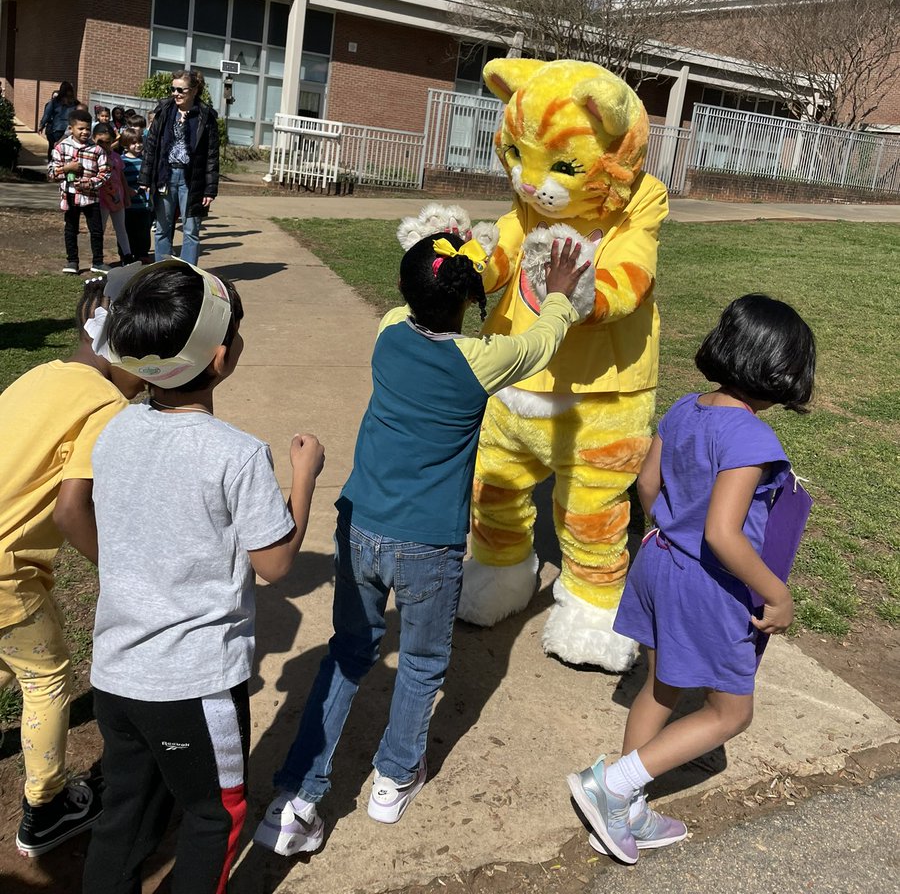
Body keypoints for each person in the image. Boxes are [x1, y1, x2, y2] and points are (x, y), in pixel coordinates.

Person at [254, 232, 589, 858]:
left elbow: (428, 296)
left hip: (359, 524)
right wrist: (560, 295)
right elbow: (543, 343)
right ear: (466, 301)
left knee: (349, 655)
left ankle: (296, 798)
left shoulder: (386, 331)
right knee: (423, 664)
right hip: (428, 545)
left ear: (404, 291)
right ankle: (395, 776)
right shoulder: (481, 362)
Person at [69, 259, 324, 894]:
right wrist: (304, 478)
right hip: (193, 687)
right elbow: (276, 564)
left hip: (117, 676)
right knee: (216, 816)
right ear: (219, 359)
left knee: (125, 815)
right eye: (236, 331)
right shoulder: (235, 455)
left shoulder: (115, 430)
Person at [566, 294, 817, 865]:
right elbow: (725, 535)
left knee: (663, 684)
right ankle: (614, 783)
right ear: (780, 371)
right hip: (707, 583)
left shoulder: (684, 408)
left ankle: (626, 806)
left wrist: (668, 532)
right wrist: (778, 594)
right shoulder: (752, 438)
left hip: (658, 563)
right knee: (732, 712)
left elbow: (648, 486)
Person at [0, 277, 144, 857]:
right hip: (6, 572)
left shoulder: (40, 375)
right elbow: (71, 510)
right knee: (47, 675)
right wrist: (122, 572)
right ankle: (47, 806)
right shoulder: (105, 406)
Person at [140, 69, 220, 265]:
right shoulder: (164, 111)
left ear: (193, 90)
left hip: (192, 180)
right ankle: (162, 272)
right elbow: (151, 146)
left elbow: (211, 155)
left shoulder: (205, 116)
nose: (175, 94)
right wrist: (145, 177)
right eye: (173, 89)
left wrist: (210, 189)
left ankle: (187, 275)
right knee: (162, 228)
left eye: (180, 90)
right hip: (164, 176)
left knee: (191, 230)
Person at [49, 107, 110, 274]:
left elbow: (105, 173)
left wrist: (89, 183)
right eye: (80, 128)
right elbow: (51, 173)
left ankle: (97, 262)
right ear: (71, 128)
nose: (85, 132)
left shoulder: (97, 150)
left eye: (88, 129)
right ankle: (72, 261)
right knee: (71, 229)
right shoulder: (61, 148)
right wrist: (67, 168)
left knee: (96, 230)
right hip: (70, 196)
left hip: (91, 197)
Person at [93, 124, 134, 264]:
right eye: (100, 142)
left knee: (121, 228)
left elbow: (122, 177)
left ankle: (127, 256)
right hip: (101, 198)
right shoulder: (92, 156)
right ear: (94, 139)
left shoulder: (116, 157)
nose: (104, 145)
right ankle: (97, 258)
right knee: (100, 229)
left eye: (108, 142)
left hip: (117, 197)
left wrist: (127, 196)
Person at [120, 126, 152, 260]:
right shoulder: (122, 161)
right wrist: (128, 190)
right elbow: (119, 181)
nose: (138, 145)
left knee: (144, 231)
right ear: (125, 145)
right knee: (128, 230)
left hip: (144, 204)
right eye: (133, 143)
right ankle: (127, 255)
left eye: (140, 142)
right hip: (128, 205)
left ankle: (142, 254)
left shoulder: (146, 160)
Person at [39, 81, 76, 158]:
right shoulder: (75, 103)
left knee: (53, 148)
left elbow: (47, 114)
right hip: (70, 130)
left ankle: (52, 164)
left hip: (56, 129)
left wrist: (42, 125)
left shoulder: (54, 102)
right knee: (67, 150)